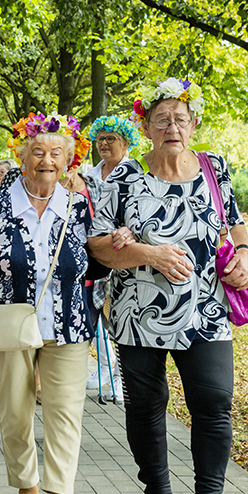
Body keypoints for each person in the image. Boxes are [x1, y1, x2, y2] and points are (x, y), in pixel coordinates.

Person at [87, 78, 248, 494]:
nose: (172, 128)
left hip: (207, 310)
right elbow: (98, 245)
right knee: (146, 404)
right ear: (145, 127)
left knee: (214, 403)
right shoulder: (123, 177)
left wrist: (245, 257)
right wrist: (150, 254)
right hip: (138, 310)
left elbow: (236, 227)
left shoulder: (214, 168)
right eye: (161, 120)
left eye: (180, 119)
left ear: (193, 123)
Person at [0, 112, 101, 494]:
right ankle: (27, 489)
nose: (47, 160)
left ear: (68, 159)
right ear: (22, 156)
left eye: (56, 153)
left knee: (66, 413)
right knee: (15, 411)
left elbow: (98, 262)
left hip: (70, 324)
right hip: (10, 325)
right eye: (38, 151)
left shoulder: (80, 207)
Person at [83, 115, 145, 402]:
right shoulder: (88, 176)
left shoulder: (138, 175)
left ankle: (120, 379)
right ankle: (106, 368)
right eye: (100, 139)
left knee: (120, 320)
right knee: (97, 317)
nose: (104, 144)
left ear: (126, 142)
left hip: (125, 255)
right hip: (95, 256)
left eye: (111, 139)